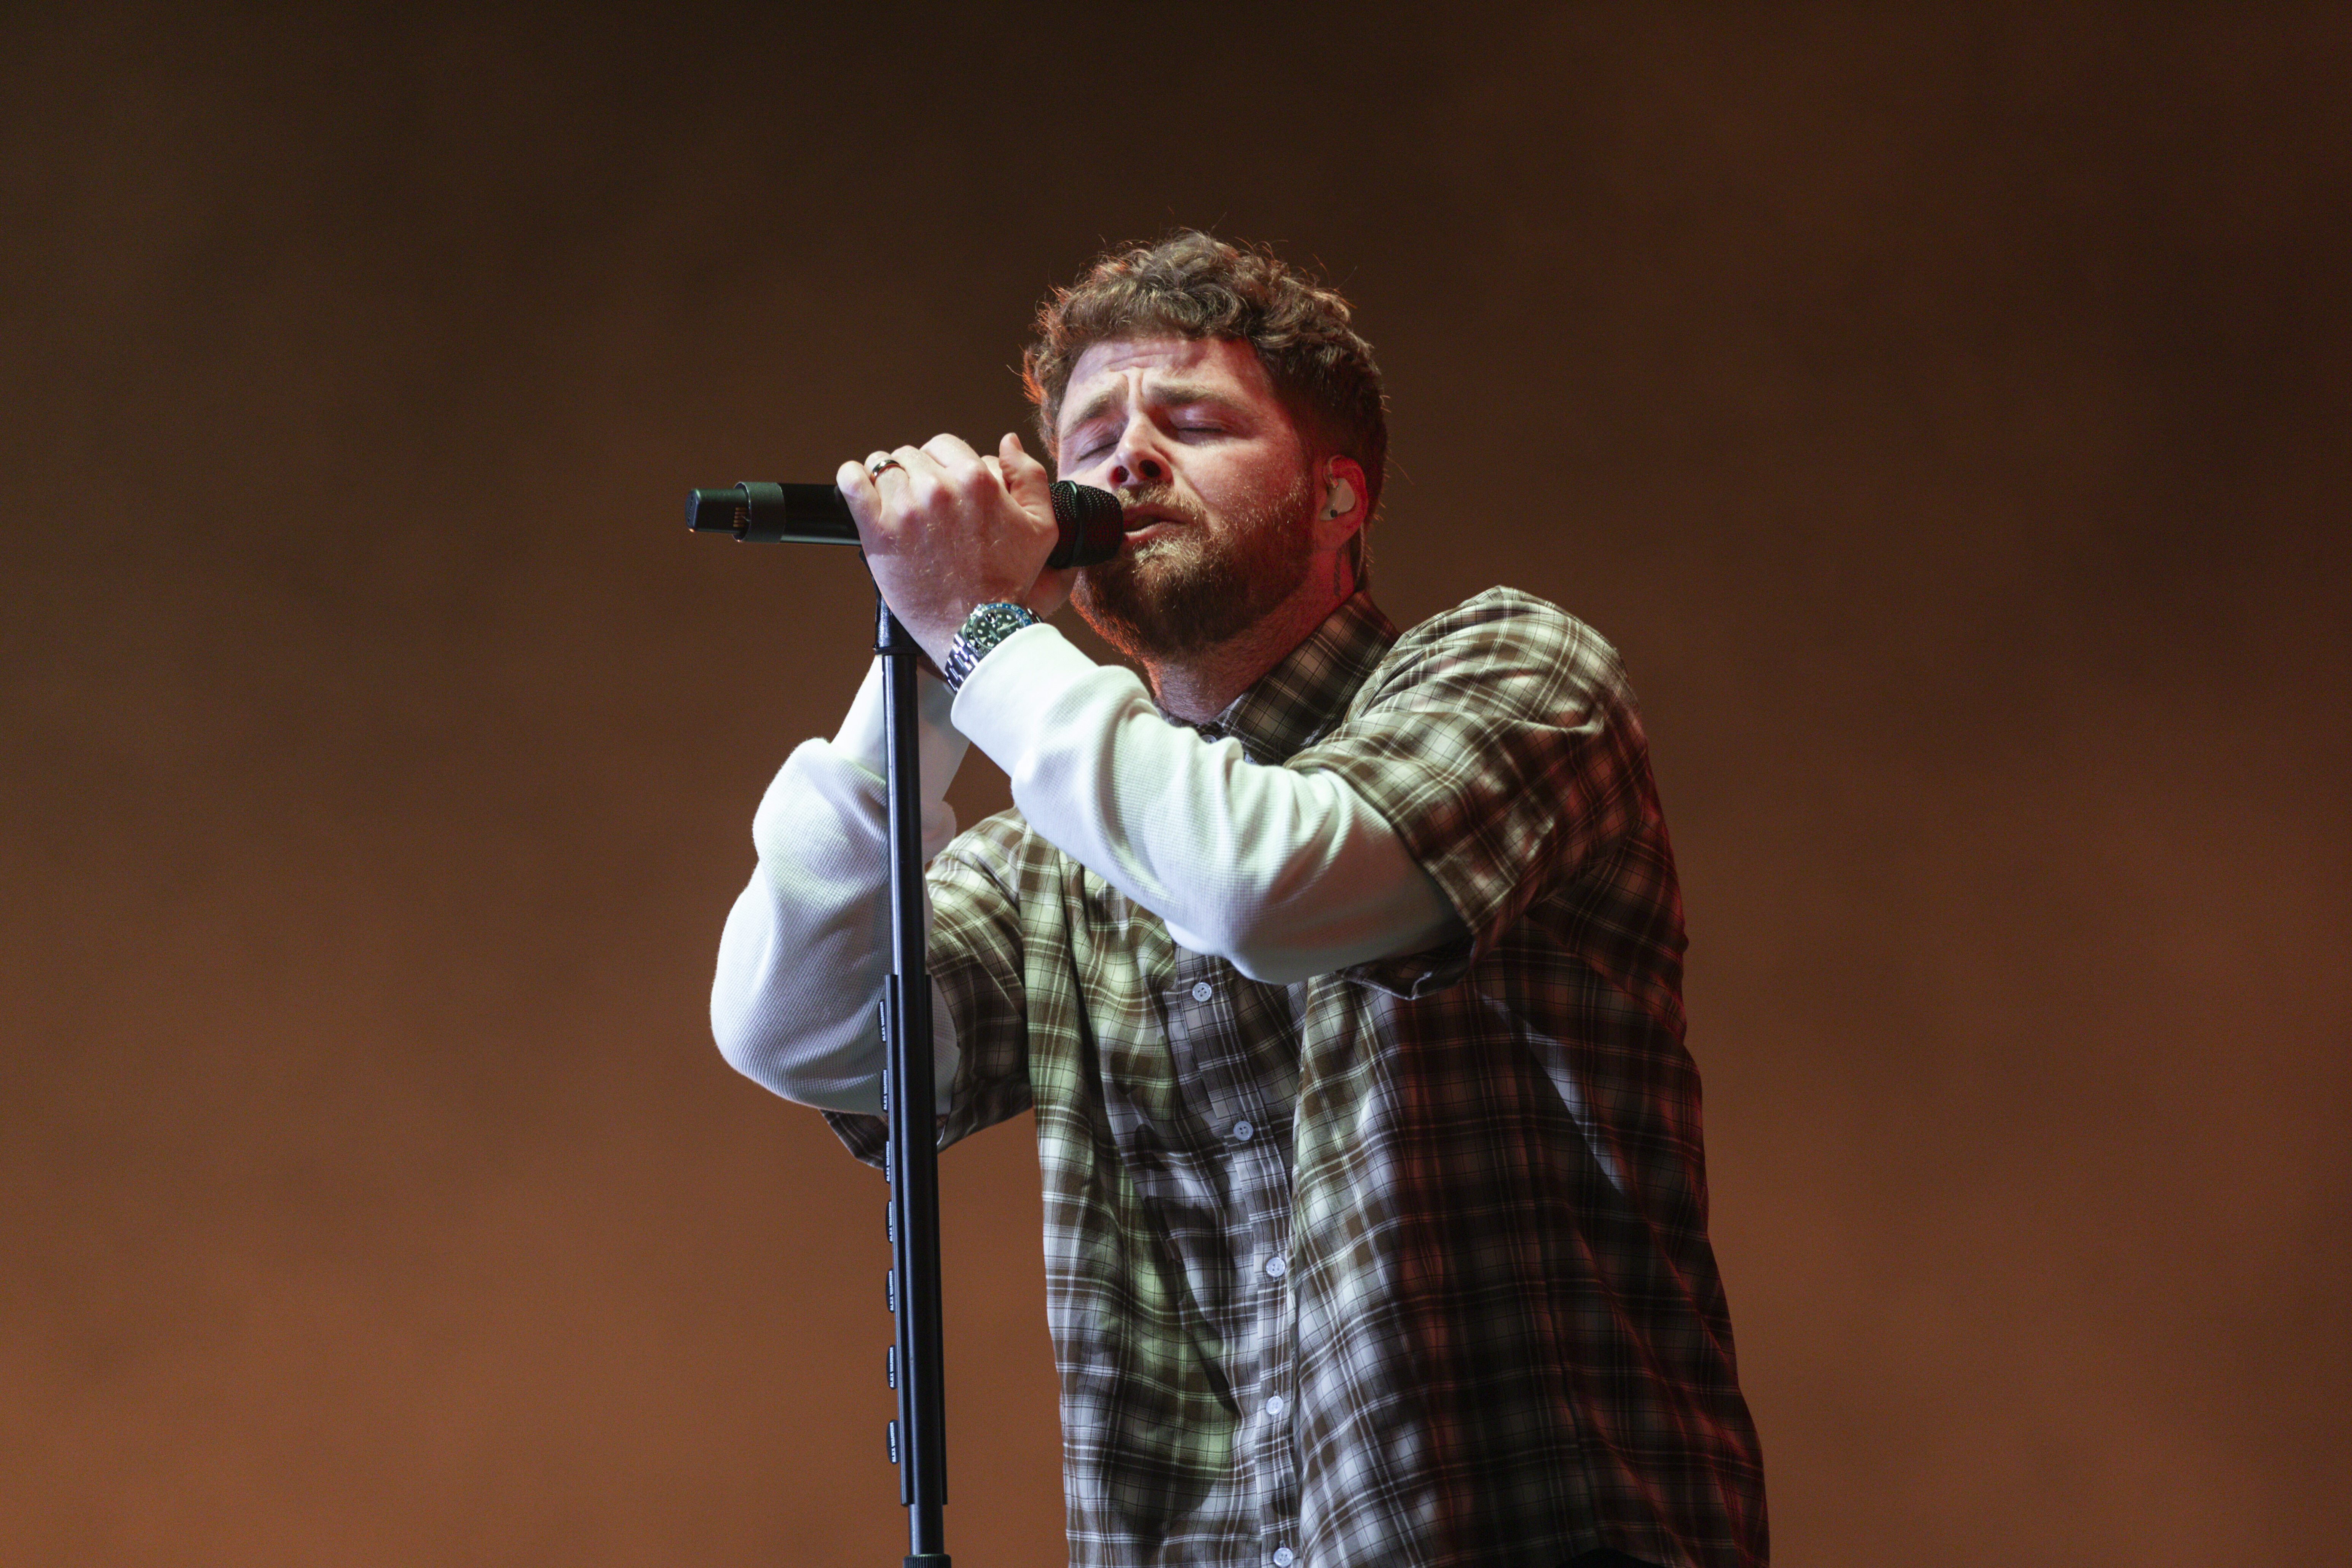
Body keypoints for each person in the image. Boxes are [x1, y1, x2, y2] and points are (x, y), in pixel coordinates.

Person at [710, 232, 1767, 1568]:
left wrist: (984, 637)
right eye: (1089, 434)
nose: (1126, 460)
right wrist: (926, 662)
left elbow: (1261, 880)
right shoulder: (1063, 848)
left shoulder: (1515, 672)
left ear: (1338, 499)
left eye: (1191, 421)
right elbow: (793, 1028)